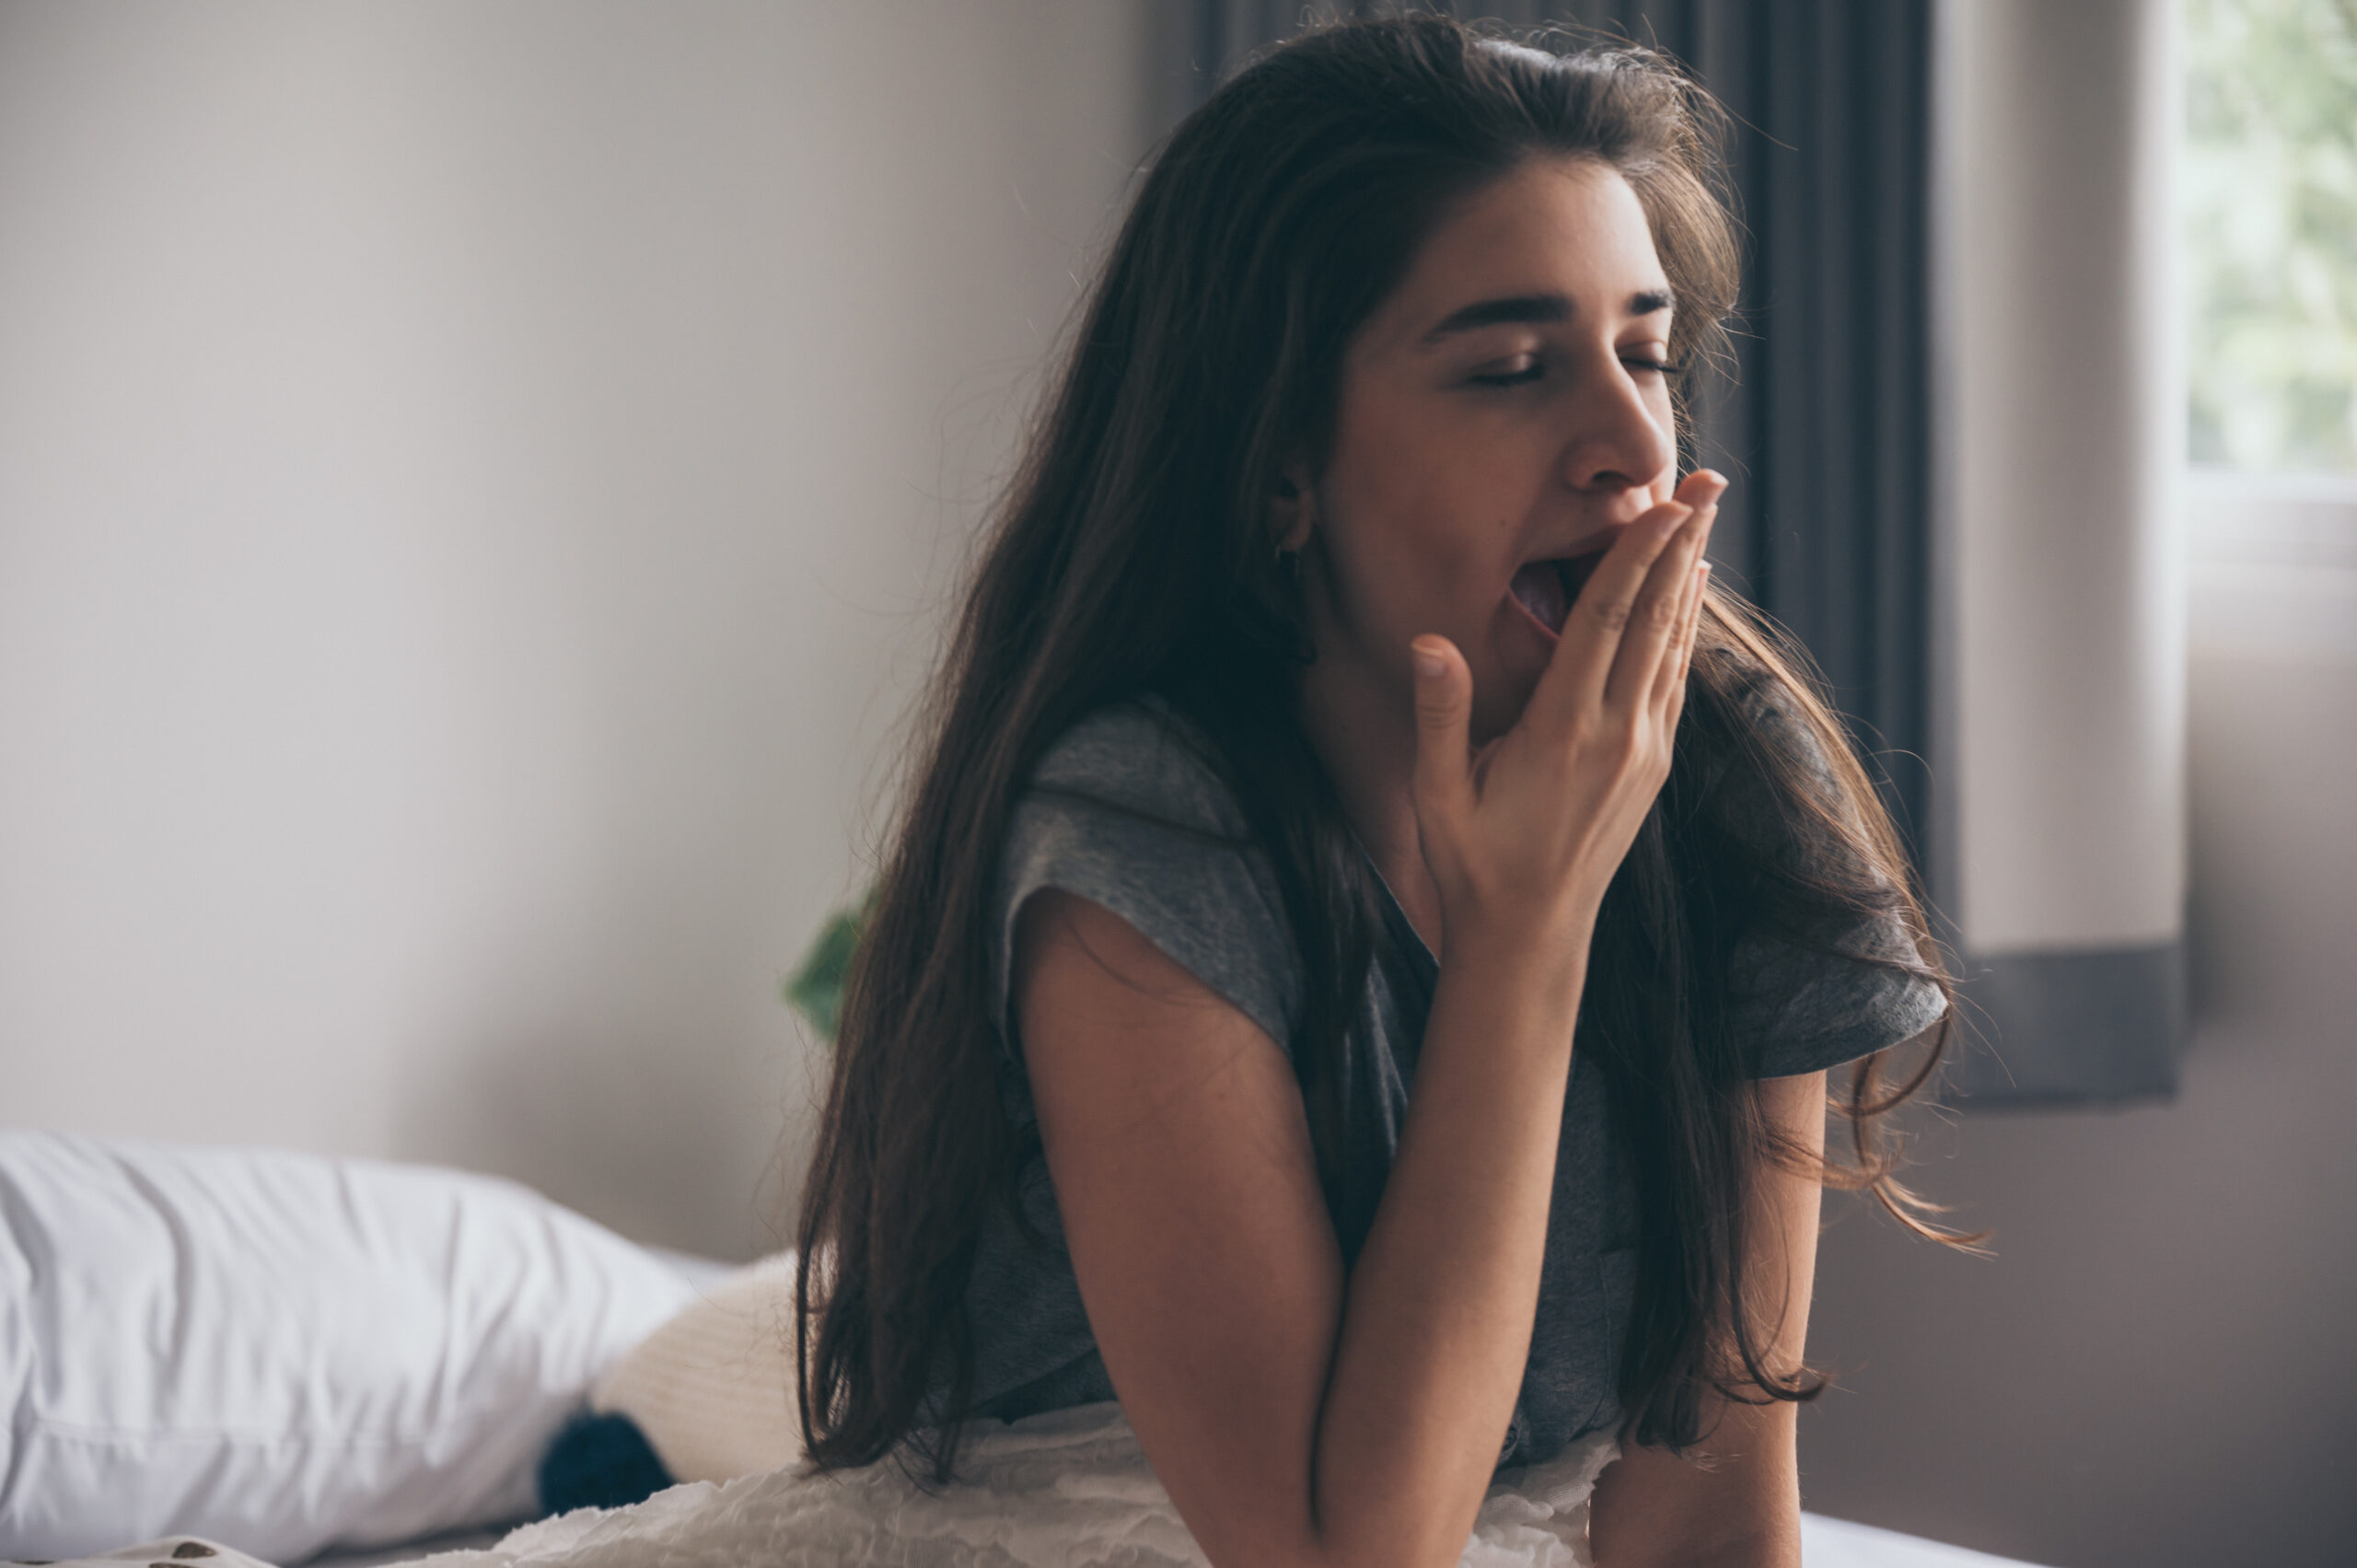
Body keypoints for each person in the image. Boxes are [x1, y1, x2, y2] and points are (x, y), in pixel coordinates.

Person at [795, 15, 1961, 1567]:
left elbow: (1704, 1501)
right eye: (1510, 369)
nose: (1630, 444)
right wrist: (1527, 935)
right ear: (1280, 468)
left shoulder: (1726, 782)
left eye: (1647, 354)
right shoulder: (1145, 842)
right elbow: (1345, 1557)